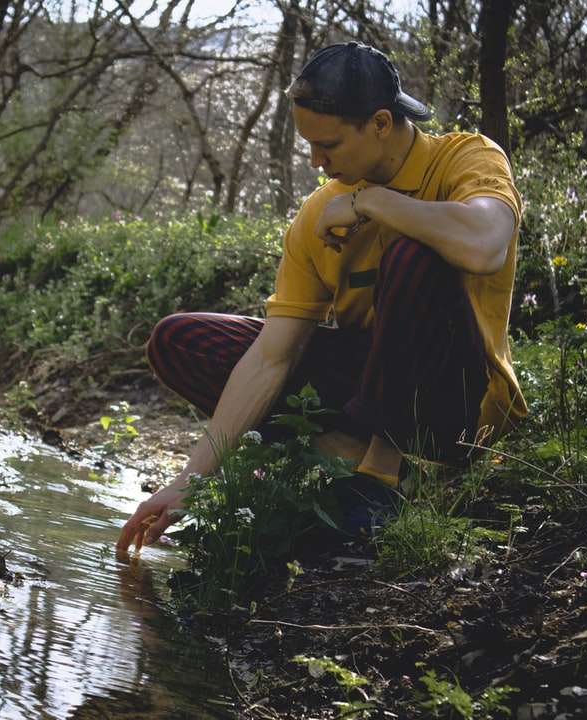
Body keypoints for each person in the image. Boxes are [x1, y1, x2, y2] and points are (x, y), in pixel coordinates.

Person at [116, 41, 526, 556]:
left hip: (455, 398)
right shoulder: (320, 210)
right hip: (369, 380)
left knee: (415, 253)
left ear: (380, 123)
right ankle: (342, 454)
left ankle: (385, 478)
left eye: (328, 145)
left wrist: (374, 203)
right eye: (309, 145)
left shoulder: (466, 158)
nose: (316, 162)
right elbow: (273, 356)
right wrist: (186, 483)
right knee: (183, 340)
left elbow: (486, 243)